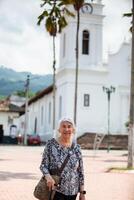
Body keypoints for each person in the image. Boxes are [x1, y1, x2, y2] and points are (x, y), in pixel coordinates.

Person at [40, 117, 86, 200]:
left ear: (73, 130)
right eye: (63, 126)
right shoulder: (51, 145)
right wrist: (48, 177)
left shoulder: (77, 148)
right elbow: (43, 166)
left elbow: (81, 172)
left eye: (69, 126)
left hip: (73, 192)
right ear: (59, 129)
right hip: (55, 191)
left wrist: (82, 193)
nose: (66, 129)